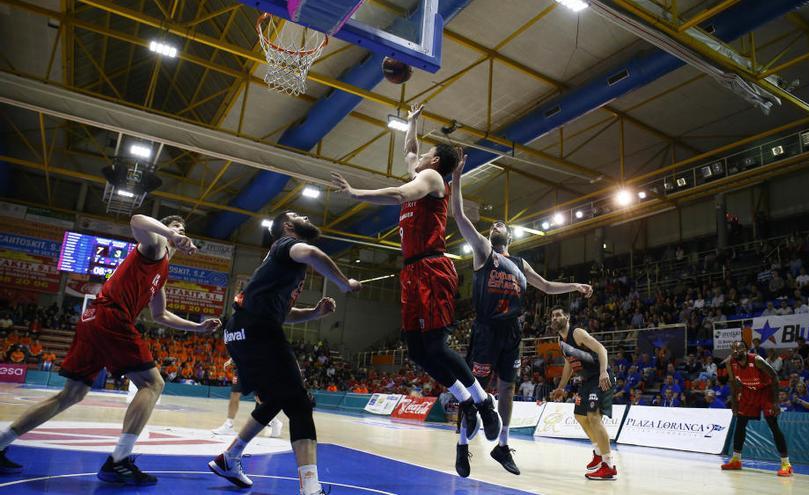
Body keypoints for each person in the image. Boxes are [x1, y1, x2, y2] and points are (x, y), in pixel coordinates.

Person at [0, 215, 221, 483]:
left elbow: (161, 315)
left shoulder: (161, 273)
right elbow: (137, 220)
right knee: (153, 384)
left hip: (94, 319)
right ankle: (119, 461)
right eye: (176, 227)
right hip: (111, 316)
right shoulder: (155, 245)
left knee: (71, 394)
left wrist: (198, 328)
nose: (180, 231)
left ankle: (2, 441)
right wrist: (170, 234)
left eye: (183, 229)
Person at [330, 104, 498, 443]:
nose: (418, 156)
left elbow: (397, 194)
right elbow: (410, 150)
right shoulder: (422, 171)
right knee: (418, 352)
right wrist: (411, 121)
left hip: (431, 267)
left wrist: (355, 193)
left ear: (434, 162)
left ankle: (483, 401)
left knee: (435, 345)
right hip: (412, 272)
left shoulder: (432, 179)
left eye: (427, 153)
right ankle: (464, 401)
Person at [448, 153, 593, 478]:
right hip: (486, 330)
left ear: (509, 236)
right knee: (476, 392)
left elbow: (545, 286)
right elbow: (457, 213)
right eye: (492, 224)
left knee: (508, 389)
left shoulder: (522, 264)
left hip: (513, 333)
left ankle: (502, 444)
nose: (496, 225)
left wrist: (575, 285)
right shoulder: (484, 251)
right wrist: (457, 176)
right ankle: (461, 444)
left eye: (500, 224)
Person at [208, 212, 358, 494]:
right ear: (288, 227)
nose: (305, 216)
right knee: (299, 404)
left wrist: (314, 313)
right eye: (297, 215)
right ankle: (310, 489)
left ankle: (230, 457)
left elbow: (283, 315)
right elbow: (313, 252)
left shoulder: (280, 265)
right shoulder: (286, 244)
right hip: (255, 329)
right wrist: (343, 283)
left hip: (241, 330)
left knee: (277, 398)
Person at [549, 306, 617, 481]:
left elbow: (602, 349)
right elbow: (569, 365)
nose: (555, 318)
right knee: (580, 415)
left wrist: (603, 372)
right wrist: (561, 387)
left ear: (567, 317)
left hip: (600, 378)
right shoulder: (560, 341)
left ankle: (608, 465)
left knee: (593, 417)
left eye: (558, 315)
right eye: (552, 316)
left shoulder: (577, 333)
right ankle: (597, 452)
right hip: (586, 381)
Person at [721, 341, 792, 476]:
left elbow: (774, 377)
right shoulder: (730, 363)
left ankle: (786, 464)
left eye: (739, 348)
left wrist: (776, 402)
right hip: (748, 392)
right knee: (740, 423)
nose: (736, 351)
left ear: (746, 350)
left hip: (765, 392)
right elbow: (732, 382)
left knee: (773, 424)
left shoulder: (757, 360)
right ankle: (736, 460)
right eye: (733, 349)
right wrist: (735, 402)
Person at [212, 358, 282, 438]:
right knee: (235, 393)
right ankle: (229, 425)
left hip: (255, 366)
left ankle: (275, 421)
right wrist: (232, 359)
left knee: (258, 397)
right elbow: (238, 347)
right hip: (240, 367)